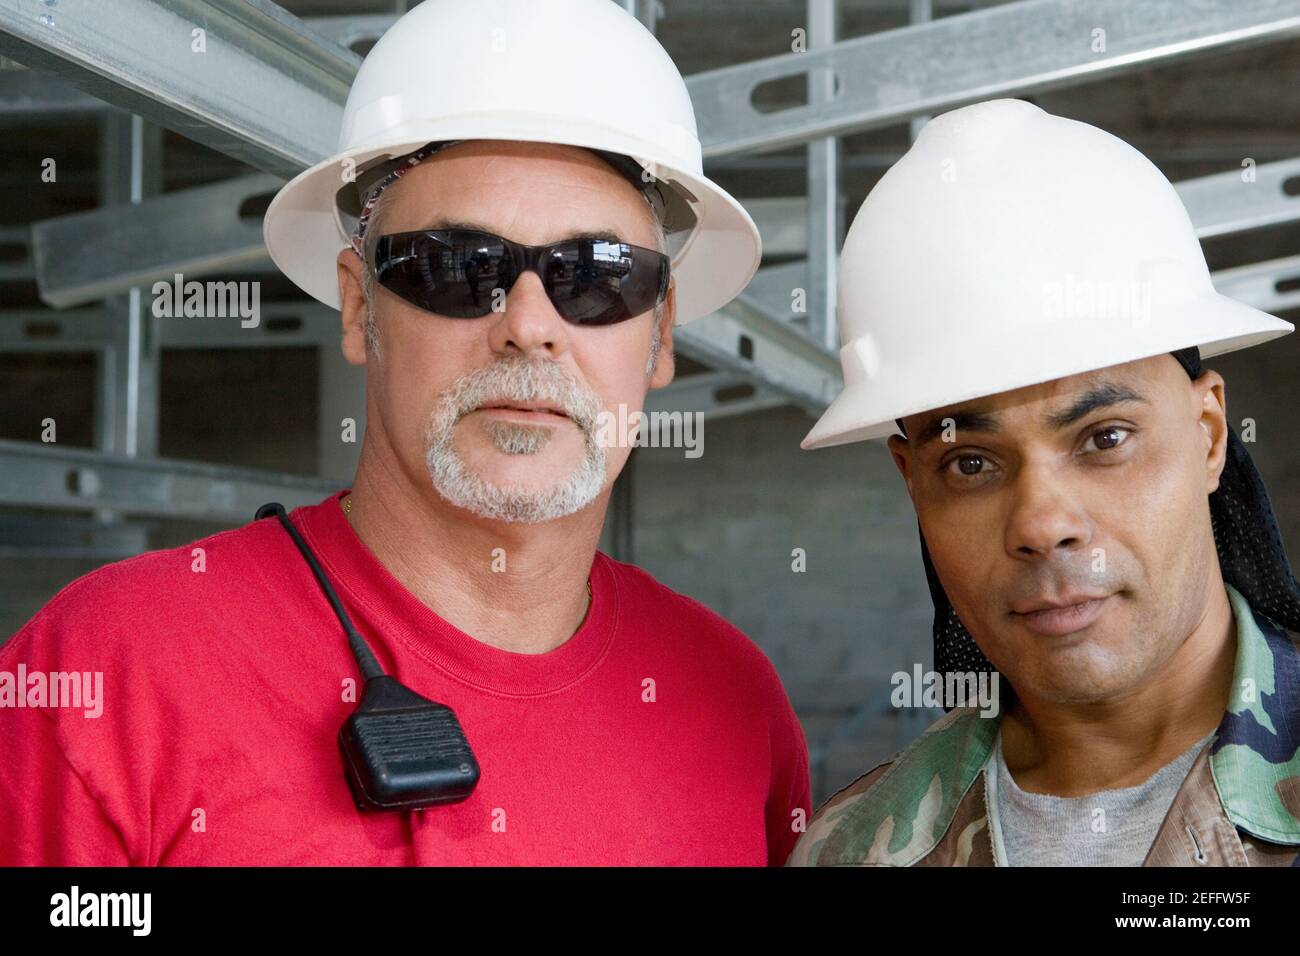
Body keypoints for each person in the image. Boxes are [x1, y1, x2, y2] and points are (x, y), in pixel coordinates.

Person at [0, 0, 809, 866]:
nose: (527, 324)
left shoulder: (732, 705)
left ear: (660, 333)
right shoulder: (104, 677)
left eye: (595, 276)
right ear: (358, 308)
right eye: (461, 268)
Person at [789, 99, 1300, 867]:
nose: (1041, 522)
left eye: (1105, 438)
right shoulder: (852, 848)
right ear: (913, 483)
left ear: (1209, 434)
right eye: (970, 463)